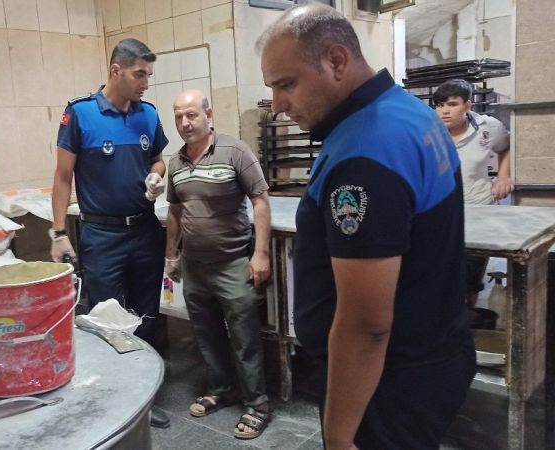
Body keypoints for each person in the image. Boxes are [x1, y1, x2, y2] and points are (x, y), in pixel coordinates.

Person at [257, 4, 475, 450]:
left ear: (336, 61)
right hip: (430, 355)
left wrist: (339, 436)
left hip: (389, 381)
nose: (278, 105)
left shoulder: (364, 154)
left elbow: (366, 324)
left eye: (286, 84)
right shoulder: (405, 111)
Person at [50, 38, 170, 428]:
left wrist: (156, 176)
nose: (146, 83)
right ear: (116, 71)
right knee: (106, 318)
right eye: (140, 74)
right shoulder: (81, 114)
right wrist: (57, 232)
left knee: (146, 315)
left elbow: (159, 159)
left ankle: (144, 397)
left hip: (145, 230)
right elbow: (62, 177)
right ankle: (114, 402)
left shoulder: (148, 115)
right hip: (102, 236)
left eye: (149, 75)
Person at [165, 89, 272, 439]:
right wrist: (171, 255)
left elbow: (260, 200)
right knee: (206, 333)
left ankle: (257, 403)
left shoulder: (234, 151)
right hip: (195, 266)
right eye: (179, 116)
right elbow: (175, 211)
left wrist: (260, 253)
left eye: (191, 114)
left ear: (208, 115)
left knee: (244, 337)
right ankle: (221, 389)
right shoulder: (176, 163)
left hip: (233, 263)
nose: (185, 122)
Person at [433, 79, 513, 306]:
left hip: (480, 209)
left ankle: (470, 315)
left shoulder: (489, 127)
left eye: (452, 104)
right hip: (443, 213)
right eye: (439, 105)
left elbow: (506, 147)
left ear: (467, 105)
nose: (444, 111)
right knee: (441, 275)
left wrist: (503, 176)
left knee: (471, 277)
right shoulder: (428, 131)